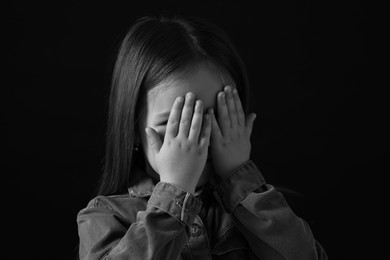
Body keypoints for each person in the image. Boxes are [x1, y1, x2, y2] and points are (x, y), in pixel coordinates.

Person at [76, 14, 328, 259]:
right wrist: (175, 190)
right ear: (132, 130)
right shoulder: (106, 216)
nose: (200, 137)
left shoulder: (258, 209)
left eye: (217, 117)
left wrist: (241, 178)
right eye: (175, 123)